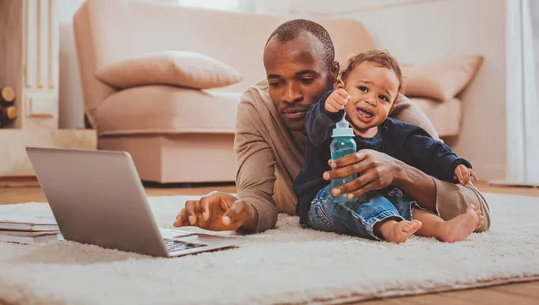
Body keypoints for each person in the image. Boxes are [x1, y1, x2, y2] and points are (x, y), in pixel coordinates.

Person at [173, 19, 490, 234]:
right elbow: (259, 200)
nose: (291, 96)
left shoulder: (391, 112)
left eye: (306, 79)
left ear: (335, 74)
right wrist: (237, 212)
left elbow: (478, 207)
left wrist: (400, 171)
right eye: (276, 82)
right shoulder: (258, 107)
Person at [293, 49, 483, 243]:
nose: (371, 100)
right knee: (356, 198)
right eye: (363, 89)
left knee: (405, 203)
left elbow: (429, 149)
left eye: (383, 97)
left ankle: (442, 228)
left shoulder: (396, 133)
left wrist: (453, 164)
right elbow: (314, 124)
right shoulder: (330, 122)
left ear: (392, 107)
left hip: (380, 197)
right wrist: (328, 104)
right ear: (341, 87)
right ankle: (389, 228)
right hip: (324, 198)